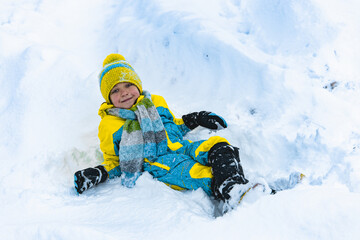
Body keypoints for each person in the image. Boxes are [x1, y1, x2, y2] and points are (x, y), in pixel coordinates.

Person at [74, 53, 258, 209]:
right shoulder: (109, 125)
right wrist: (99, 172)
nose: (124, 93)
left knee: (219, 146)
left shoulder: (155, 101)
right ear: (108, 97)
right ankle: (237, 195)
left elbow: (172, 124)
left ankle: (236, 186)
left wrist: (195, 118)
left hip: (181, 146)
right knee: (197, 173)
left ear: (137, 85)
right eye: (115, 90)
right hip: (159, 162)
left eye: (128, 85)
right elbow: (115, 160)